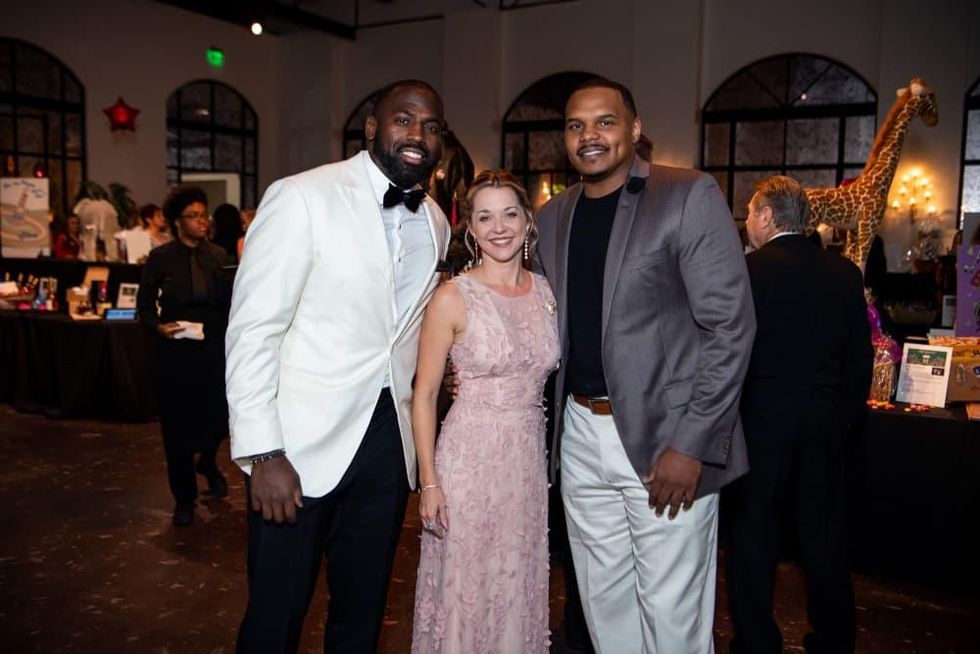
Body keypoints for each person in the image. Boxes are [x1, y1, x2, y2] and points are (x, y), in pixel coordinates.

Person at [225, 79, 450, 653]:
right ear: (372, 128)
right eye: (403, 120)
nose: (417, 135)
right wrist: (263, 452)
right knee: (275, 617)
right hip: (297, 450)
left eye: (430, 126)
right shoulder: (303, 196)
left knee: (361, 614)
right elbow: (254, 330)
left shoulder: (437, 223)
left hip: (386, 447)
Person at [534, 77, 755, 653]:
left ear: (634, 129)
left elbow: (731, 326)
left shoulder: (685, 194)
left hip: (666, 441)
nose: (589, 136)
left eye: (605, 122)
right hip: (580, 435)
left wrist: (695, 442)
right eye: (576, 125)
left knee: (671, 615)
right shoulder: (554, 216)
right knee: (605, 606)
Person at [411, 170, 558, 653]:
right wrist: (429, 480)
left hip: (526, 469)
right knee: (467, 589)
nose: (499, 227)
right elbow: (425, 394)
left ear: (528, 221)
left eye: (510, 213)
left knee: (517, 582)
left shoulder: (547, 292)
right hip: (467, 464)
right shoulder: (453, 297)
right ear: (470, 230)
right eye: (485, 217)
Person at [725, 176, 873, 654]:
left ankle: (757, 643)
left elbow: (732, 352)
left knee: (754, 539)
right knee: (824, 540)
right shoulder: (845, 273)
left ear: (767, 215)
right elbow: (859, 359)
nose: (747, 222)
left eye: (750, 212)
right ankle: (833, 641)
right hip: (824, 426)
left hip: (760, 425)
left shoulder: (748, 271)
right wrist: (842, 419)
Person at [136, 185, 232, 527]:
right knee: (177, 429)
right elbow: (144, 307)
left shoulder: (219, 256)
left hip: (213, 349)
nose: (201, 221)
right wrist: (159, 328)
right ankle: (185, 499)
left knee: (221, 417)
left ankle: (207, 461)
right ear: (177, 222)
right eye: (193, 216)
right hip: (176, 351)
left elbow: (231, 305)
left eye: (204, 214)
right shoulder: (161, 259)